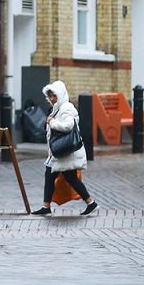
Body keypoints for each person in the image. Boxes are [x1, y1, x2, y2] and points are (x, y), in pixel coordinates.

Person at [33, 80, 99, 216]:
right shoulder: (57, 108)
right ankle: (89, 203)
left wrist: (52, 122)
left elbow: (68, 126)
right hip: (60, 152)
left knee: (67, 178)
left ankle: (90, 203)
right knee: (58, 177)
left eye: (54, 96)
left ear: (61, 95)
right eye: (50, 96)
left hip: (66, 152)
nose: (52, 99)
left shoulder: (66, 108)